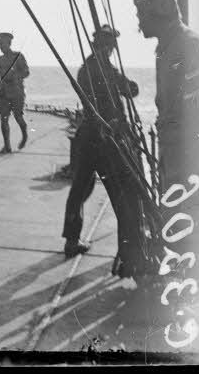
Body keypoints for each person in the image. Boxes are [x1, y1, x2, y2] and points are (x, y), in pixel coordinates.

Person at [134, 0, 199, 284]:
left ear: (159, 16)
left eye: (142, 15)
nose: (138, 22)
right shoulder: (168, 47)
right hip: (175, 152)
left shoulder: (190, 48)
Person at [61, 26, 143, 265]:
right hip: (107, 140)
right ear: (107, 46)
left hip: (87, 137)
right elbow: (131, 91)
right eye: (111, 45)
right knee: (122, 193)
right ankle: (128, 252)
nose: (112, 49)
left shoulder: (86, 69)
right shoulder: (105, 70)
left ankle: (71, 240)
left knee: (79, 190)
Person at [0, 32, 30, 154]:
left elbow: (26, 72)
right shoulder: (0, 59)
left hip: (17, 93)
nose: (1, 46)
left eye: (2, 44)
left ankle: (24, 136)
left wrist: (15, 76)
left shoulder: (18, 56)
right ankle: (7, 146)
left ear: (9, 44)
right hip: (4, 93)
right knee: (3, 119)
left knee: (18, 117)